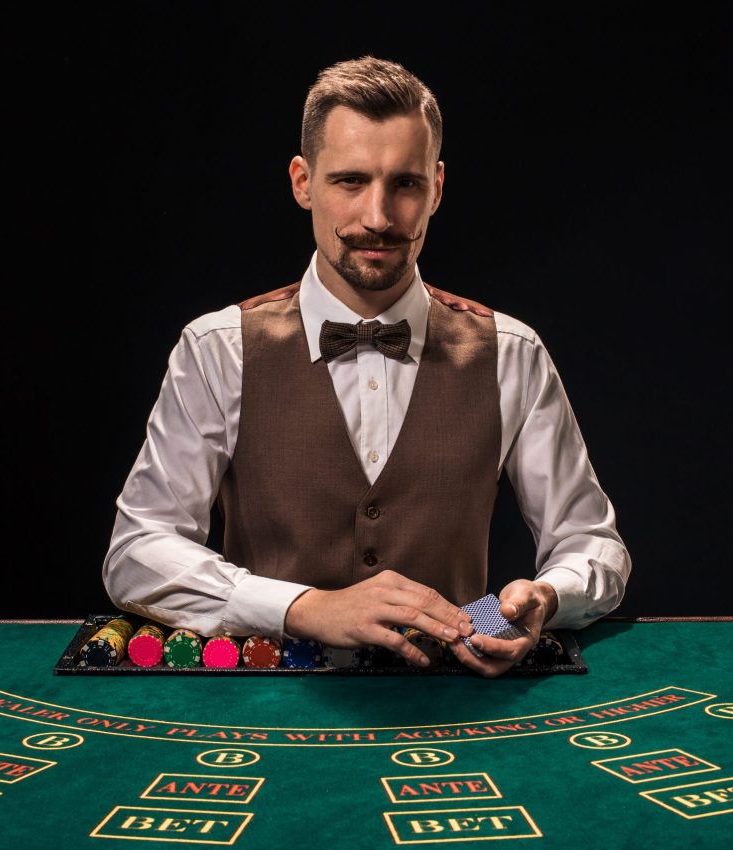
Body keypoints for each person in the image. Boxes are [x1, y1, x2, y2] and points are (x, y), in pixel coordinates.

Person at [103, 56, 631, 677]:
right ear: (303, 182)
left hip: (457, 709)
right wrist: (302, 606)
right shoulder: (216, 348)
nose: (378, 217)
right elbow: (136, 554)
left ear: (436, 187)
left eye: (404, 184)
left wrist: (547, 596)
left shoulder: (512, 352)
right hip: (264, 709)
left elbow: (593, 545)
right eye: (349, 181)